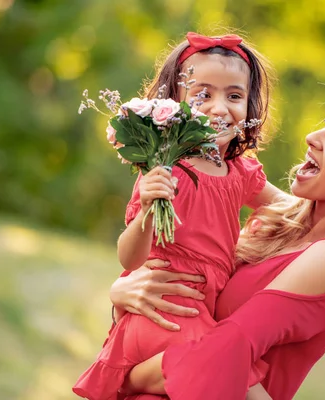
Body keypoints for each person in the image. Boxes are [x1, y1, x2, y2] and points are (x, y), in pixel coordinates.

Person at [109, 88, 325, 400]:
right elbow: (189, 296)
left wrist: (121, 377)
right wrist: (124, 292)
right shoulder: (279, 225)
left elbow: (220, 355)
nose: (313, 138)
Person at [72, 32, 285, 400]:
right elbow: (129, 257)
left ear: (249, 106)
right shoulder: (165, 168)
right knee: (231, 379)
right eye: (203, 95)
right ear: (176, 102)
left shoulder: (241, 173)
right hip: (163, 310)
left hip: (196, 312)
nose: (220, 108)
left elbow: (292, 209)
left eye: (234, 96)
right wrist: (149, 214)